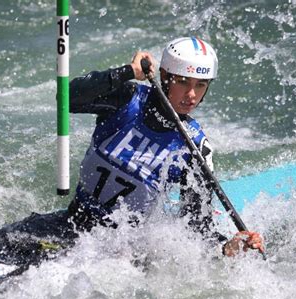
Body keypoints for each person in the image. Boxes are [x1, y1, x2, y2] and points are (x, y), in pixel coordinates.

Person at [64, 37, 264, 257]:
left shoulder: (195, 149)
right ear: (164, 77)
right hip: (72, 225)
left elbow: (197, 228)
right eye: (183, 82)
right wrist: (128, 71)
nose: (191, 95)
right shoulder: (127, 101)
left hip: (122, 255)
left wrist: (228, 248)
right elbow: (65, 97)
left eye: (200, 85)